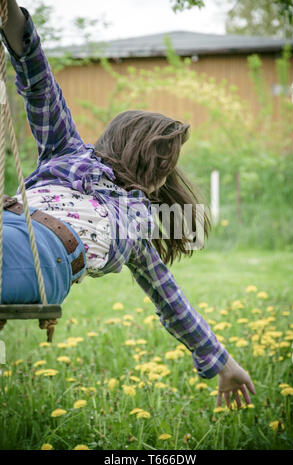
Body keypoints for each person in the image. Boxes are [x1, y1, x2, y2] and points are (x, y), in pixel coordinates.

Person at [0, 0, 256, 410]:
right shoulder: (65, 149)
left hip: (41, 256)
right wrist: (9, 11)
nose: (163, 180)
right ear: (139, 154)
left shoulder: (137, 224)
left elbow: (171, 300)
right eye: (163, 166)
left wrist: (223, 362)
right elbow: (36, 77)